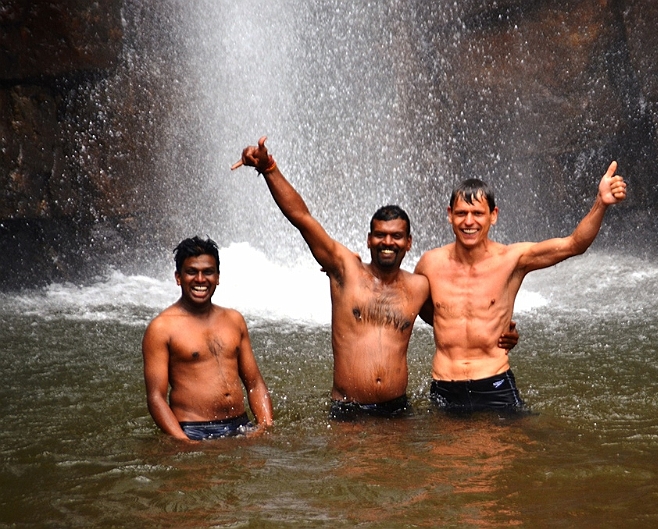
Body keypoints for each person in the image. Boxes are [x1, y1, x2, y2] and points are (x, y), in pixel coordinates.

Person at [233, 136, 518, 419]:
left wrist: (503, 333)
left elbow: (455, 317)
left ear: (409, 243)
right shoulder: (345, 270)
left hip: (398, 411)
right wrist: (269, 169)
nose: (387, 242)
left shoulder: (419, 286)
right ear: (368, 240)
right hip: (349, 409)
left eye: (396, 236)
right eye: (380, 235)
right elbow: (302, 218)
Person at [415, 164, 628, 413]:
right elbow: (421, 309)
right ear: (449, 214)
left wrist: (601, 203)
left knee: (508, 451)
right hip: (444, 385)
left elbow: (573, 244)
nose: (469, 221)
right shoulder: (429, 264)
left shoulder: (512, 259)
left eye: (477, 213)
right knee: (444, 453)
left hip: (493, 381)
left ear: (493, 215)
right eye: (461, 213)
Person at [142, 236, 274, 440]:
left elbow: (255, 383)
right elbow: (156, 398)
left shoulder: (234, 320)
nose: (201, 280)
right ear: (178, 277)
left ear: (218, 277)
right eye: (192, 272)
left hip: (241, 425)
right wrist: (183, 441)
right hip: (194, 431)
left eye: (208, 272)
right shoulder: (161, 328)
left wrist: (264, 425)